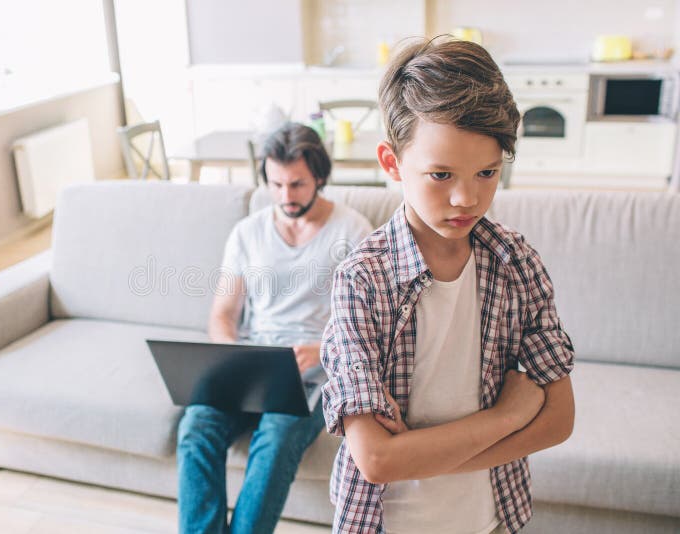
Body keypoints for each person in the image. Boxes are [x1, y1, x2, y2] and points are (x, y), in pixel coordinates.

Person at [320, 37, 576, 534]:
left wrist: (412, 454)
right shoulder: (363, 279)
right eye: (441, 174)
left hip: (491, 517)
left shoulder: (517, 263)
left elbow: (558, 420)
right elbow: (375, 461)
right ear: (392, 163)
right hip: (385, 523)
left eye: (487, 173)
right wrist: (505, 417)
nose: (467, 198)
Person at [176, 122, 373, 534]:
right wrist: (229, 354)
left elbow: (374, 320)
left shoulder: (353, 230)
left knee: (277, 438)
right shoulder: (247, 233)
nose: (286, 197)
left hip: (316, 374)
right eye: (276, 184)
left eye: (297, 184)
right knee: (195, 427)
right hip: (250, 365)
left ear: (319, 176)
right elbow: (222, 313)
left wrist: (324, 348)